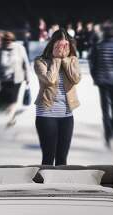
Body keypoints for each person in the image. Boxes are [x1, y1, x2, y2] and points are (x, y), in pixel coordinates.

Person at [34, 29, 81, 165]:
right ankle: (43, 186)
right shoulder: (41, 61)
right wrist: (55, 60)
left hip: (67, 115)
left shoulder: (72, 61)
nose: (62, 49)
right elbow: (50, 79)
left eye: (65, 45)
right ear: (53, 44)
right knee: (48, 158)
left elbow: (76, 79)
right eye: (59, 45)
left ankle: (60, 186)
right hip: (46, 114)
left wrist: (65, 61)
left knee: (62, 160)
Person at [89, 24, 113, 147]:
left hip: (102, 81)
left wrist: (95, 77)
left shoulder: (98, 47)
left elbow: (92, 64)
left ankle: (107, 133)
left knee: (105, 108)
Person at [0, 31, 31, 127]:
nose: (8, 42)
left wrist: (27, 77)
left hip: (17, 78)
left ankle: (11, 119)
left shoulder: (20, 48)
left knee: (13, 99)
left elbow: (26, 63)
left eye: (9, 40)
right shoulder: (1, 49)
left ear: (13, 39)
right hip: (4, 79)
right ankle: (11, 113)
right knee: (7, 100)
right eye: (5, 40)